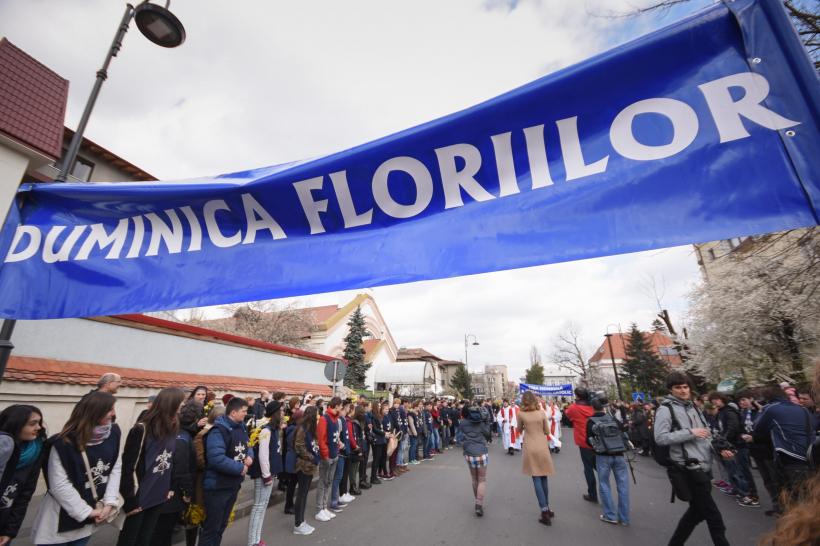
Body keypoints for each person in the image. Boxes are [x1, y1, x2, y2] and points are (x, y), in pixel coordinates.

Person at [32, 392, 122, 546]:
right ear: (95, 411)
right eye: (110, 409)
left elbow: (115, 468)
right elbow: (59, 485)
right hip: (60, 520)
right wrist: (87, 512)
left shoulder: (113, 433)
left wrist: (109, 503)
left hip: (92, 518)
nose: (113, 414)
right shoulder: (62, 444)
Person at [654, 372, 729, 546]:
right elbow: (660, 438)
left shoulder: (693, 406)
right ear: (671, 390)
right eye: (678, 387)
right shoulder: (665, 410)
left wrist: (721, 449)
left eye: (685, 387)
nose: (683, 390)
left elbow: (706, 434)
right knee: (714, 517)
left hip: (704, 465)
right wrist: (690, 433)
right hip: (688, 469)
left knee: (696, 513)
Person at [117, 387, 185, 546]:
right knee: (129, 540)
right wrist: (130, 500)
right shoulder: (141, 429)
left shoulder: (172, 428)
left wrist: (168, 487)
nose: (183, 405)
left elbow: (169, 461)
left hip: (158, 494)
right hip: (139, 496)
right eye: (181, 402)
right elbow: (128, 466)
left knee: (145, 539)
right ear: (171, 403)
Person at [199, 396, 253, 546]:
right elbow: (216, 459)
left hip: (232, 485)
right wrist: (241, 468)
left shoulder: (241, 427)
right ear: (233, 412)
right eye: (243, 411)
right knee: (211, 528)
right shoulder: (218, 431)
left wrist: (250, 456)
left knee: (221, 526)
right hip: (217, 487)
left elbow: (247, 445)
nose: (246, 414)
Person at [753, 384, 816, 511]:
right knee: (809, 495)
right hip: (808, 455)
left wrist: (761, 410)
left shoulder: (771, 409)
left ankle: (799, 520)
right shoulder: (802, 409)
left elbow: (758, 430)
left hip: (789, 456)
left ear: (767, 399)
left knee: (794, 497)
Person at [152, 400, 199, 546]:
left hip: (156, 490)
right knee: (162, 534)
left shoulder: (159, 431)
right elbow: (182, 468)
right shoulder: (182, 438)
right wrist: (188, 492)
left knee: (157, 532)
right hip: (172, 492)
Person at [0, 405, 47, 545]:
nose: (39, 427)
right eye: (32, 423)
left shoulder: (35, 451)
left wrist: (9, 531)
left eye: (39, 422)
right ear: (15, 424)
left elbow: (24, 495)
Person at [586, 398, 630, 526]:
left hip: (603, 455)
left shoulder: (591, 421)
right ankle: (624, 517)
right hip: (619, 454)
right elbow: (623, 430)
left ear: (592, 407)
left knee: (604, 484)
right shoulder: (612, 418)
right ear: (604, 407)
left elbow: (588, 440)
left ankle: (610, 515)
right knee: (623, 486)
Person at [246, 400, 284, 546]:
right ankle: (252, 541)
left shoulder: (273, 429)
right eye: (281, 411)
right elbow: (263, 455)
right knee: (258, 507)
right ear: (275, 413)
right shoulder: (266, 430)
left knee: (262, 506)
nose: (283, 413)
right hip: (263, 474)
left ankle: (256, 539)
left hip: (268, 472)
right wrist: (267, 475)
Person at [516, 391, 556, 525]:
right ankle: (547, 508)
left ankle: (544, 511)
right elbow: (547, 431)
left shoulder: (521, 414)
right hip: (542, 446)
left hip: (530, 446)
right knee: (544, 477)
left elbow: (519, 429)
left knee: (536, 478)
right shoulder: (541, 413)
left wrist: (525, 426)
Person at [564, 388, 597, 503]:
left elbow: (567, 416)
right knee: (600, 467)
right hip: (598, 440)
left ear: (577, 396)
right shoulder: (593, 406)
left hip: (584, 441)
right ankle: (605, 492)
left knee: (588, 468)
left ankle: (593, 494)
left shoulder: (574, 408)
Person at [459, 403, 491, 517]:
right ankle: (479, 504)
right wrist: (486, 422)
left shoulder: (462, 423)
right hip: (481, 452)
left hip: (469, 453)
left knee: (474, 479)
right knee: (482, 479)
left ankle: (477, 501)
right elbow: (488, 435)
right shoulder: (481, 422)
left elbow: (459, 437)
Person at [293, 406, 319, 536]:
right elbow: (299, 446)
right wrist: (311, 457)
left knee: (304, 494)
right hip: (303, 465)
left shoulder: (310, 429)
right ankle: (298, 524)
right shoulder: (302, 429)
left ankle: (302, 521)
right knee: (301, 495)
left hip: (310, 465)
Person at [315, 397, 341, 522]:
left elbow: (336, 436)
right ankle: (319, 509)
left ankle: (324, 507)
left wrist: (338, 447)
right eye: (340, 406)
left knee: (329, 482)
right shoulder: (324, 419)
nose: (341, 408)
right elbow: (321, 439)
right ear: (336, 406)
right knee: (323, 482)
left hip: (334, 454)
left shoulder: (335, 419)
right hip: (327, 457)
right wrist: (325, 455)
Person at [369, 401, 386, 484]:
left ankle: (375, 476)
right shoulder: (373, 416)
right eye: (378, 406)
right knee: (376, 459)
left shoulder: (379, 415)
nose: (380, 407)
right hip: (377, 440)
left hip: (381, 439)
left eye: (380, 406)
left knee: (378, 458)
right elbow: (375, 429)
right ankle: (373, 477)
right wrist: (384, 433)